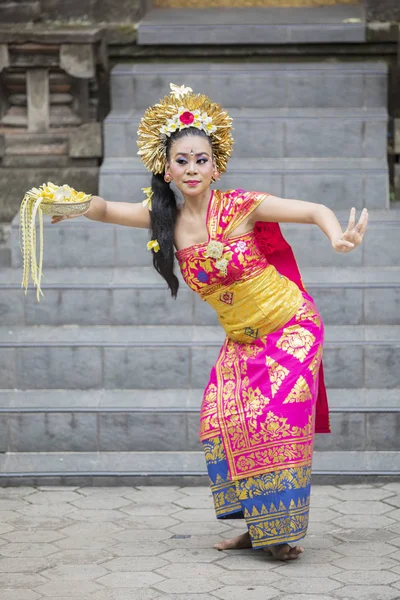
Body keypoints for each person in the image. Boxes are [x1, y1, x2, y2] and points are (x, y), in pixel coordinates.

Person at [51, 83, 368, 561]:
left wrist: (336, 236)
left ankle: (278, 534)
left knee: (270, 423)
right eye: (182, 160)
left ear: (215, 165)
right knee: (220, 422)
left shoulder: (240, 206)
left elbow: (311, 209)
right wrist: (70, 203)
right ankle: (257, 528)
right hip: (242, 340)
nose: (192, 168)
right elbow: (105, 208)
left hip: (291, 328)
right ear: (166, 168)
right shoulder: (165, 220)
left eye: (201, 159)